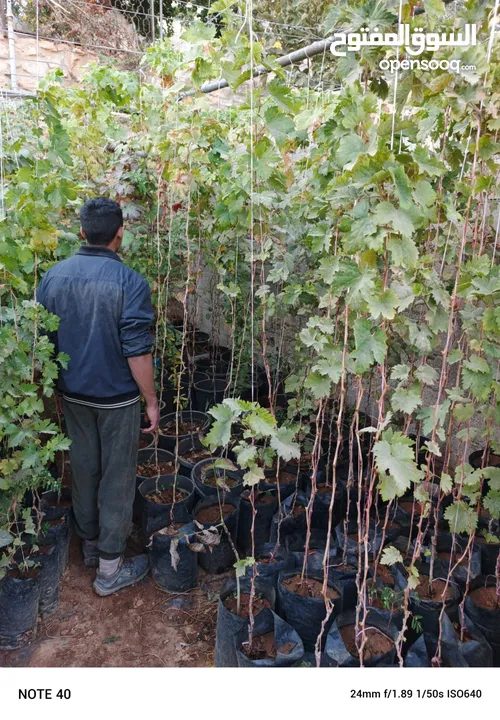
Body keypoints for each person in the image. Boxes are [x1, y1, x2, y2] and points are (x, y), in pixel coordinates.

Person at [37, 197, 159, 597]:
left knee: (85, 467)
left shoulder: (52, 278)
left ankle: (90, 545)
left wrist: (53, 389)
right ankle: (109, 569)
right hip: (117, 398)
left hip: (73, 394)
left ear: (82, 232)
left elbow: (45, 345)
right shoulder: (130, 283)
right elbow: (137, 350)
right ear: (120, 234)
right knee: (118, 477)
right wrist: (152, 401)